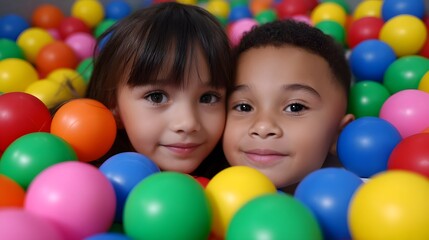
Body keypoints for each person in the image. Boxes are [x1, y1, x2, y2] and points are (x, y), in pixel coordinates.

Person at [86, 2, 232, 178]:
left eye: (208, 98)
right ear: (113, 104)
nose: (188, 123)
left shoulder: (237, 174)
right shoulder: (92, 177)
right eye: (157, 97)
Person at [222, 19, 355, 193]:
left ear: (339, 133)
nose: (263, 127)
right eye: (244, 107)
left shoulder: (357, 199)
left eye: (295, 107)